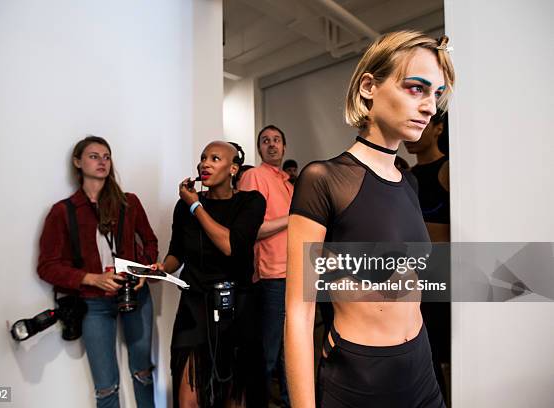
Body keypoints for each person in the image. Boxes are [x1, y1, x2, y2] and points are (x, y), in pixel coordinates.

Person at [286, 31, 455, 407]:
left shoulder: (409, 181)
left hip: (422, 369)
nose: (430, 106)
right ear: (368, 87)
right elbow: (300, 311)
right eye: (416, 88)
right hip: (360, 379)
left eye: (437, 94)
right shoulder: (323, 180)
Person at [37, 136, 158, 408]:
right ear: (77, 162)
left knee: (143, 373)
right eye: (94, 156)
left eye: (106, 156)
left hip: (135, 297)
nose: (102, 161)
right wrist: (92, 279)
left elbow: (150, 242)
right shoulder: (62, 211)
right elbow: (47, 266)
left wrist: (142, 272)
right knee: (105, 386)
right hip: (93, 303)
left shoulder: (129, 202)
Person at [156, 141, 267, 408]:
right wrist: (161, 268)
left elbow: (231, 246)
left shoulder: (251, 202)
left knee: (235, 395)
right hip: (195, 307)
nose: (205, 163)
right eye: (203, 157)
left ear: (233, 168)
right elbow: (176, 254)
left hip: (236, 307)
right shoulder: (184, 206)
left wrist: (196, 207)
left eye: (215, 158)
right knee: (188, 398)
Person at [237, 125, 293, 407]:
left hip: (295, 273)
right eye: (265, 141)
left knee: (291, 351)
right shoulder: (253, 176)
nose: (272, 145)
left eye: (277, 140)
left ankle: (288, 401)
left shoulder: (288, 181)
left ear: (284, 147)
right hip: (272, 275)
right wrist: (293, 218)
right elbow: (248, 229)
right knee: (268, 352)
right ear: (259, 148)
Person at [406, 111, 452, 404]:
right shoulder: (407, 177)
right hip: (415, 280)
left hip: (444, 276)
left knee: (448, 356)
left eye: (421, 124)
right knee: (425, 356)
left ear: (438, 129)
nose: (412, 132)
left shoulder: (449, 168)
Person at [405, 111, 450, 242]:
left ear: (439, 128)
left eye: (418, 126)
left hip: (445, 259)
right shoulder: (407, 174)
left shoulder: (449, 170)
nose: (410, 136)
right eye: (407, 128)